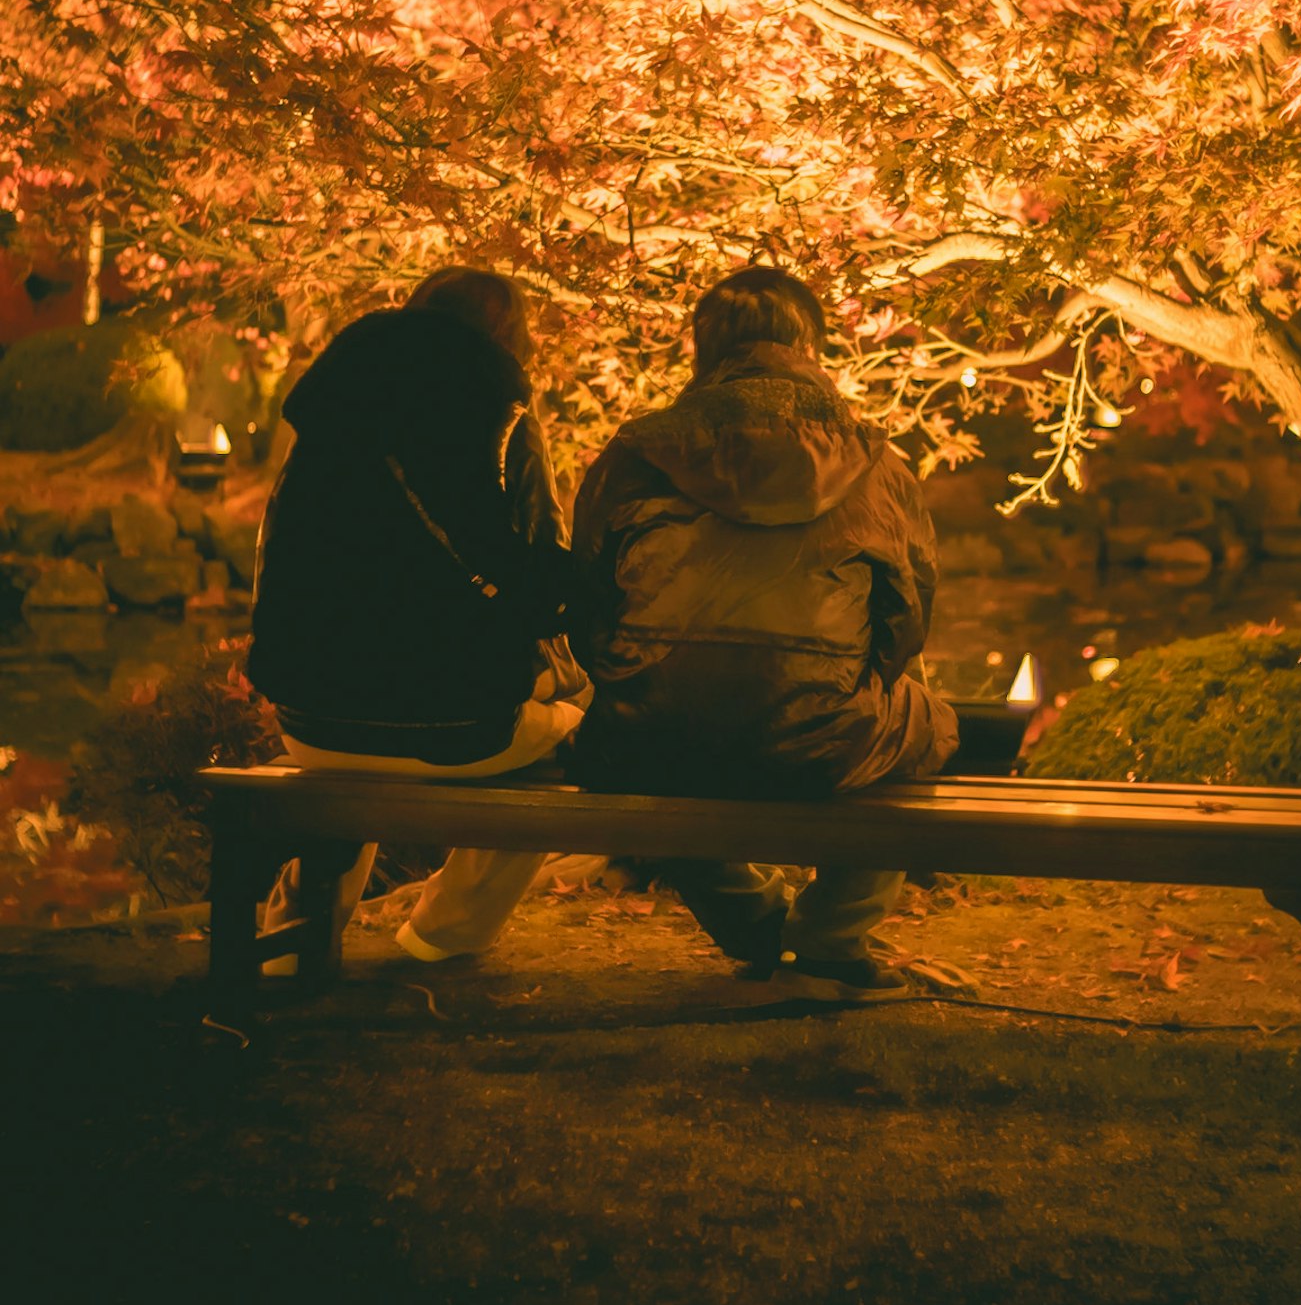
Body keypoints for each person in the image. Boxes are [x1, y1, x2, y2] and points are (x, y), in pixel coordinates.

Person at [567, 265, 957, 1002]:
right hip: (818, 733)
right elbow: (907, 623)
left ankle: (751, 927)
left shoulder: (633, 454)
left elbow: (586, 606)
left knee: (659, 743)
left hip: (652, 733)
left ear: (703, 350)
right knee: (926, 723)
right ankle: (832, 939)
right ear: (808, 347)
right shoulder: (873, 462)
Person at [248, 266, 588, 966]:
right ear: (507, 338)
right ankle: (445, 932)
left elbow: (271, 553)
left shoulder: (328, 412)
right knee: (569, 731)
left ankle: (295, 932)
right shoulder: (505, 419)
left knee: (357, 744)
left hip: (310, 716)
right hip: (458, 725)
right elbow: (538, 579)